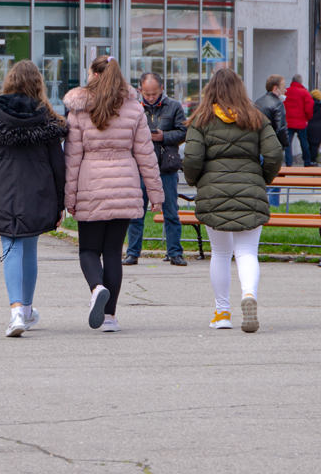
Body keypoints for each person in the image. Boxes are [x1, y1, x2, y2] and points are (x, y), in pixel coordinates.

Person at [0, 61, 66, 337]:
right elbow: (58, 164)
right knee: (30, 246)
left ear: (8, 82)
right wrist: (60, 202)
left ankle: (16, 312)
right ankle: (27, 310)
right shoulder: (46, 119)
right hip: (37, 190)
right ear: (38, 85)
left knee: (10, 245)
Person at [63, 55, 163, 333]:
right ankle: (110, 318)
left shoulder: (80, 109)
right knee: (112, 253)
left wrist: (68, 197)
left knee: (88, 250)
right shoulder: (133, 108)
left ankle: (96, 288)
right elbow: (146, 154)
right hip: (126, 185)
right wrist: (156, 194)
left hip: (91, 184)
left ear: (94, 75)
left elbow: (72, 158)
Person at [183, 68, 282, 333]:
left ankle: (222, 312)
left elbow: (192, 159)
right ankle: (249, 295)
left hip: (214, 193)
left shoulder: (201, 120)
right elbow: (274, 154)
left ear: (210, 91)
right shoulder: (256, 118)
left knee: (221, 253)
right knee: (247, 252)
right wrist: (263, 178)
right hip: (251, 189)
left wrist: (196, 181)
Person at [125, 73, 187, 267]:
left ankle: (175, 252)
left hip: (165, 166)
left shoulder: (174, 106)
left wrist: (164, 137)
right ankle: (132, 252)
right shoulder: (134, 108)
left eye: (154, 93)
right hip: (141, 167)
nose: (150, 97)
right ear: (140, 90)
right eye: (147, 94)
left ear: (162, 89)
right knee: (136, 212)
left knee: (171, 211)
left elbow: (184, 132)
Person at [254, 75, 289, 205]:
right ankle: (273, 206)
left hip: (257, 146)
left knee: (261, 179)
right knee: (274, 180)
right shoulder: (277, 104)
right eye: (283, 87)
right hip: (271, 147)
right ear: (275, 88)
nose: (285, 90)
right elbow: (281, 128)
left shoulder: (258, 102)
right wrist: (285, 145)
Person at [282, 74, 314, 166]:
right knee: (304, 143)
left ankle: (288, 163)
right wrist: (308, 118)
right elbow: (309, 107)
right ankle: (307, 162)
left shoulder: (286, 92)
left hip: (288, 122)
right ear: (300, 82)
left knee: (288, 144)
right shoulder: (304, 93)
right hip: (301, 123)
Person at [306, 89, 321, 166]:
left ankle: (309, 160)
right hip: (319, 130)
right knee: (315, 146)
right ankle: (313, 160)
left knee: (309, 145)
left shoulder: (308, 105)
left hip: (308, 128)